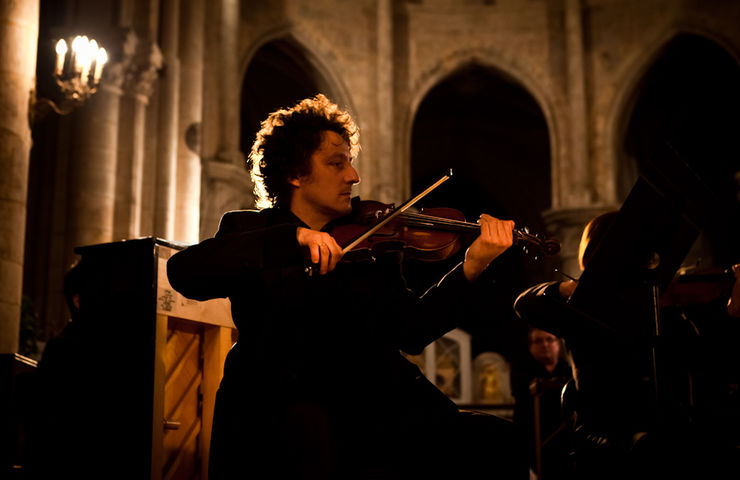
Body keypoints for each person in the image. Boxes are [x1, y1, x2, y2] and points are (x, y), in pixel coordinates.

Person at [166, 94, 529, 479]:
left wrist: (473, 263)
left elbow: (412, 329)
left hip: (373, 411)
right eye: (336, 163)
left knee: (498, 442)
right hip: (280, 413)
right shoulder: (250, 231)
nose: (353, 176)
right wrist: (293, 240)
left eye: (350, 162)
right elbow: (185, 272)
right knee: (313, 435)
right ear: (295, 173)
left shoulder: (374, 244)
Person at [514, 211, 740, 479]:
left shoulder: (659, 307)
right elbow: (524, 303)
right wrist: (571, 288)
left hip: (666, 429)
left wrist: (732, 311)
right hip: (606, 434)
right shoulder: (584, 309)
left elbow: (705, 357)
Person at [510, 328, 573, 479]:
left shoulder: (569, 370)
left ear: (558, 344)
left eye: (549, 339)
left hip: (564, 438)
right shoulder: (521, 369)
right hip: (531, 437)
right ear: (530, 346)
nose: (545, 345)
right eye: (538, 340)